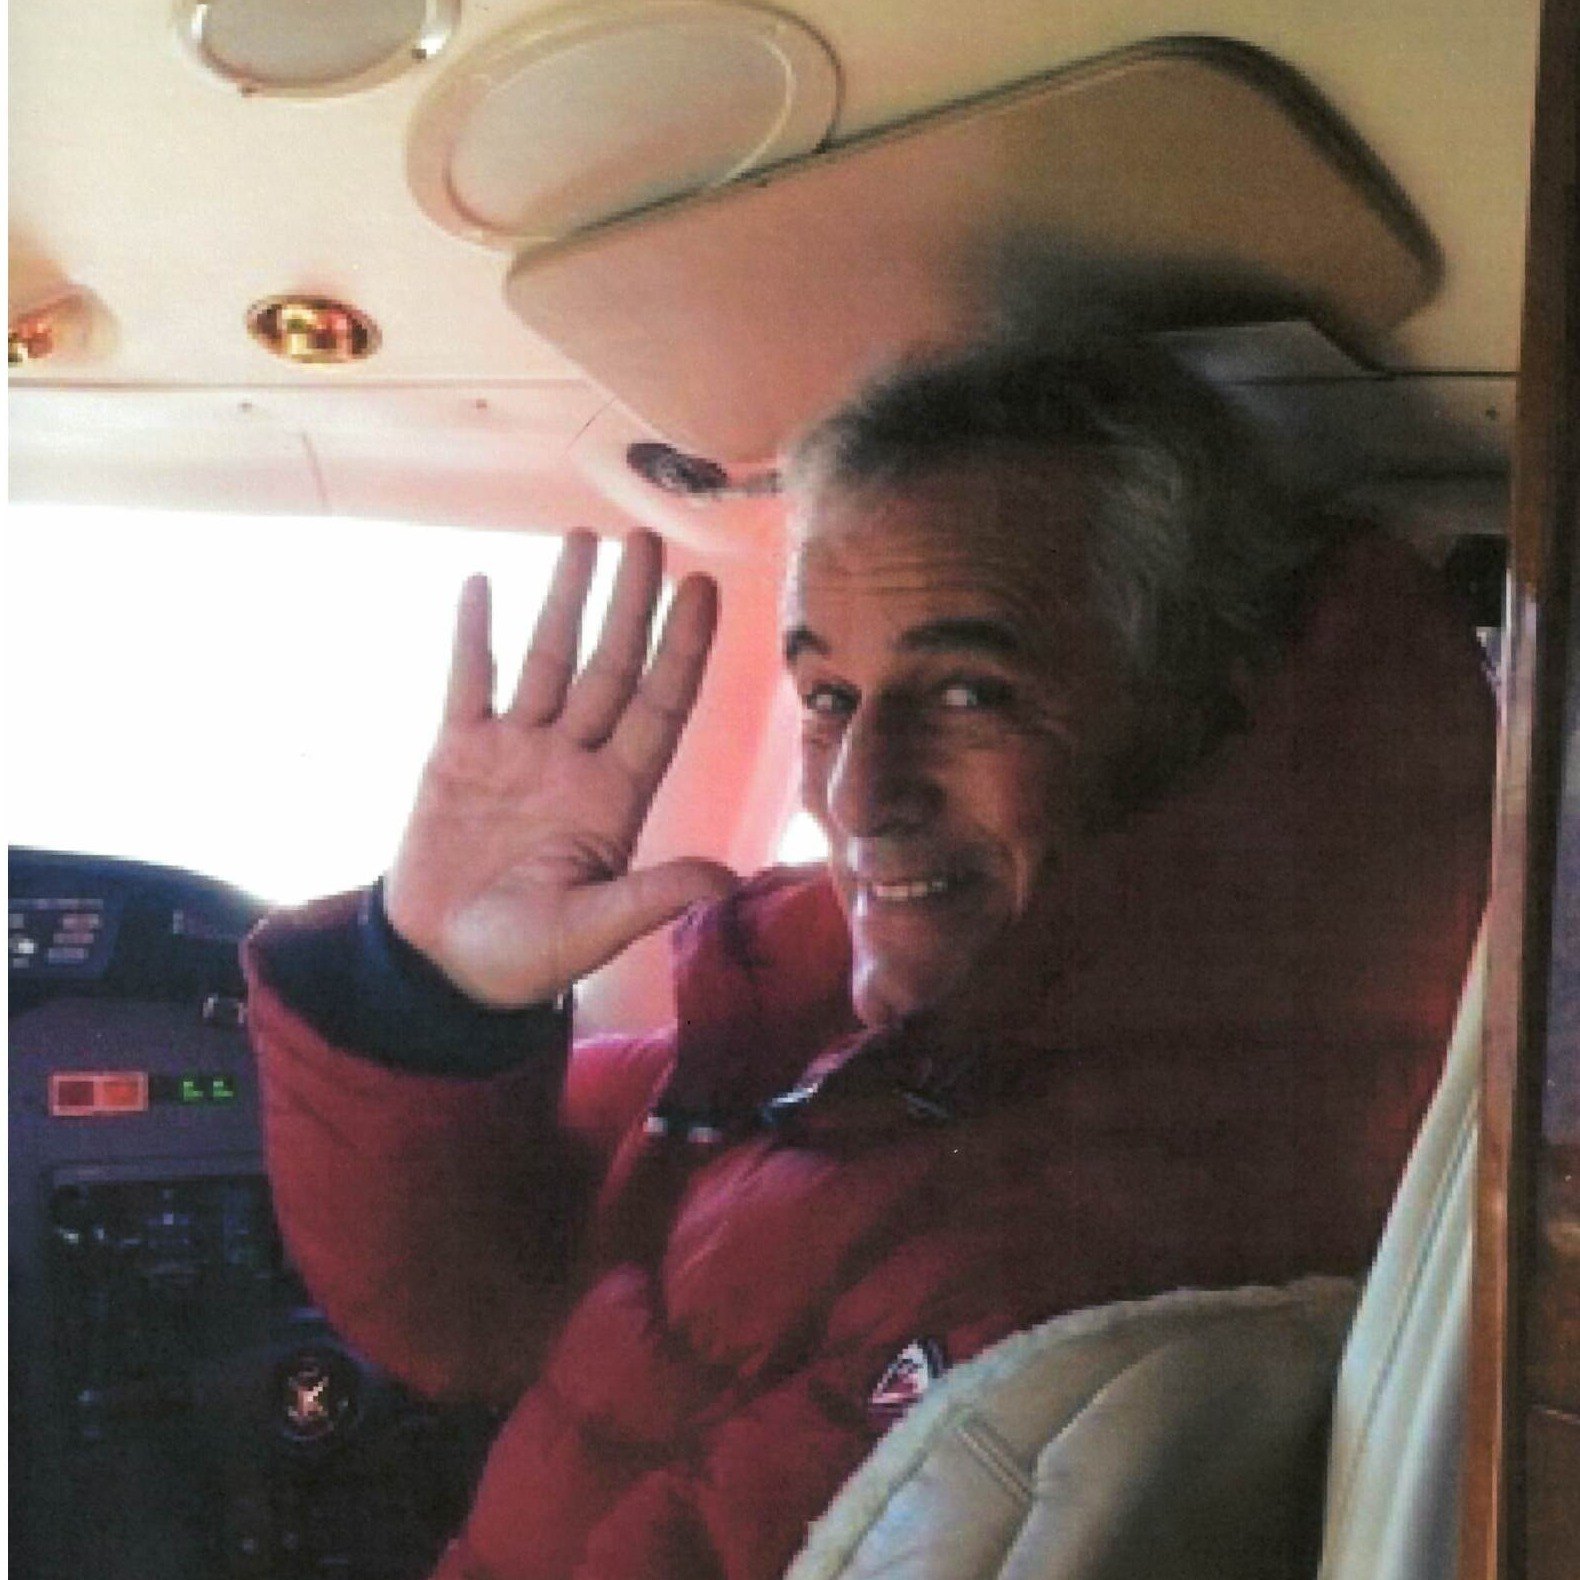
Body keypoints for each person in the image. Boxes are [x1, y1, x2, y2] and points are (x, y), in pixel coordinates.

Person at [244, 338, 1492, 1580]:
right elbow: (474, 1312)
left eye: (966, 692)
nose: (854, 795)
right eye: (827, 697)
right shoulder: (836, 1025)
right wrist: (435, 995)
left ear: (1203, 706)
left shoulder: (1095, 1217)